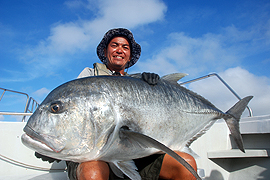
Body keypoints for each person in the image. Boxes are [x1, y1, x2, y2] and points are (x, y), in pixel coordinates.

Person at [36, 28, 197, 180]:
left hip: (136, 155)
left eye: (125, 47)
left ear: (129, 56)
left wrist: (159, 86)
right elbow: (77, 115)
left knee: (186, 165)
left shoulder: (140, 84)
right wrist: (53, 142)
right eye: (114, 45)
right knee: (92, 171)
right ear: (105, 52)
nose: (119, 50)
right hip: (95, 155)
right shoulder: (88, 77)